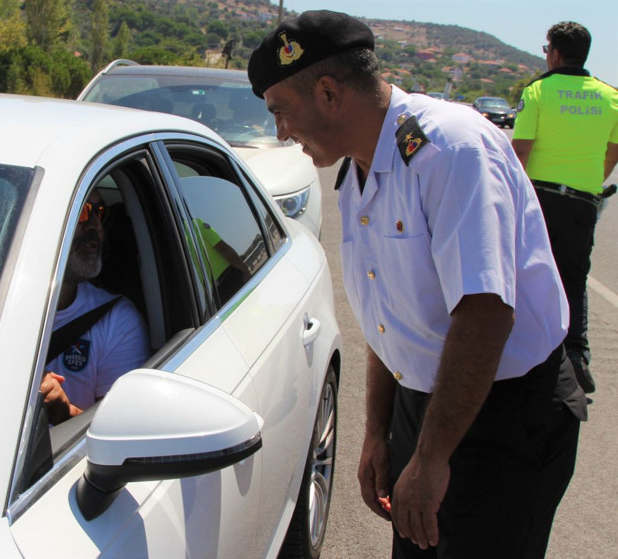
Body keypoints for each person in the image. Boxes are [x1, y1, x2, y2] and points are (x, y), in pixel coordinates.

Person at [248, 10, 587, 558]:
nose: (280, 132)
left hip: (502, 414)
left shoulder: (450, 150)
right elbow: (392, 317)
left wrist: (430, 459)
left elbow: (485, 313)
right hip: (427, 403)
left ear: (329, 93)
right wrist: (378, 432)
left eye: (280, 111)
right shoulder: (359, 171)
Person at [511, 21, 618, 394]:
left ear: (554, 54)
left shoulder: (538, 91)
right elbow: (612, 153)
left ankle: (524, 353)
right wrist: (588, 183)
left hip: (539, 198)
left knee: (527, 271)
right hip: (583, 201)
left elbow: (520, 150)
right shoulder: (610, 96)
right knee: (574, 277)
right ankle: (576, 353)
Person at [41, 189, 151, 424]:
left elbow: (118, 431)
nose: (95, 226)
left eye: (100, 214)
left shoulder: (116, 321)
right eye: (82, 211)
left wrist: (64, 411)